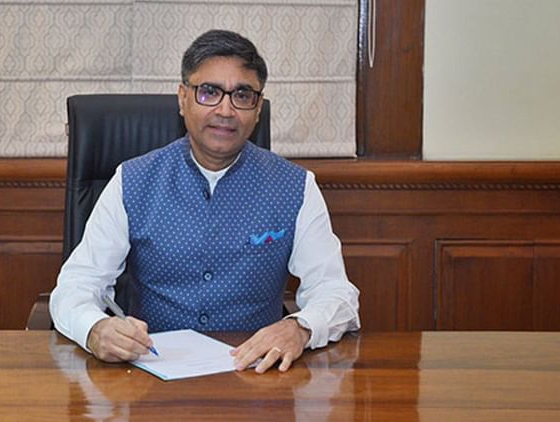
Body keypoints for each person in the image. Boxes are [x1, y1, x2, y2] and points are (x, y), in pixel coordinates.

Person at [50, 29, 360, 374]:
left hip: (256, 377)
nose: (226, 110)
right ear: (183, 98)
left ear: (257, 109)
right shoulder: (132, 181)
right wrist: (95, 329)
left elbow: (336, 294)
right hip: (150, 376)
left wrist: (299, 328)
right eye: (209, 92)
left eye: (242, 95)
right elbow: (75, 287)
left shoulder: (295, 187)